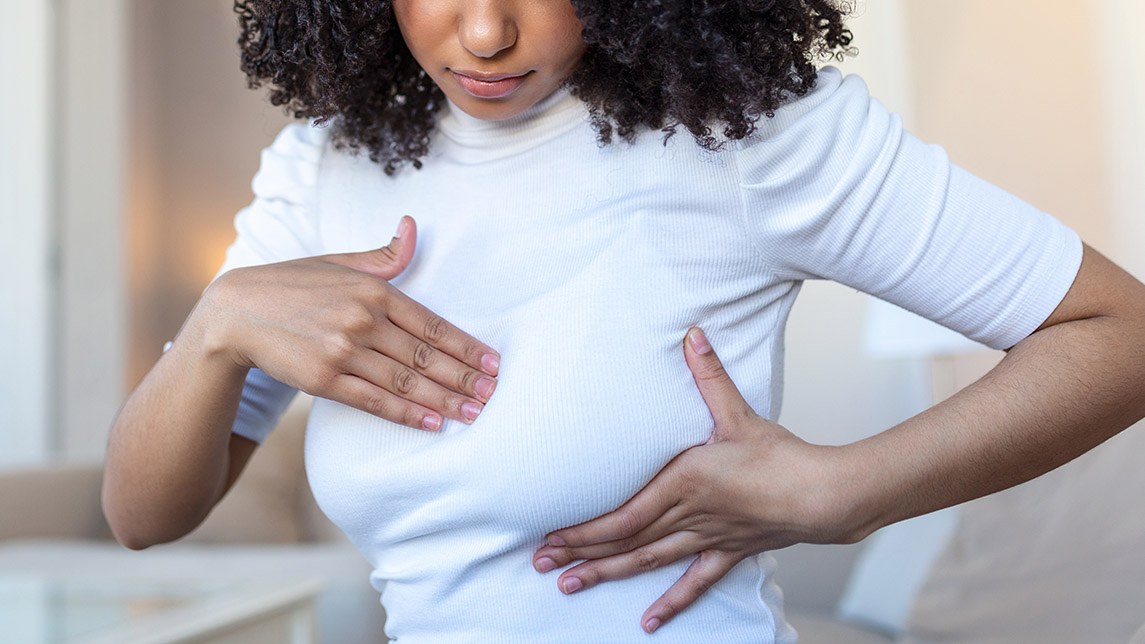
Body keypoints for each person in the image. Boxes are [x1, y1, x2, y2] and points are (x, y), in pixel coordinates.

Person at [102, 0, 1145, 642]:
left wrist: (846, 489)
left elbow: (1119, 331)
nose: (482, 31)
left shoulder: (747, 136)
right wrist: (218, 324)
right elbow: (142, 516)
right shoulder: (321, 172)